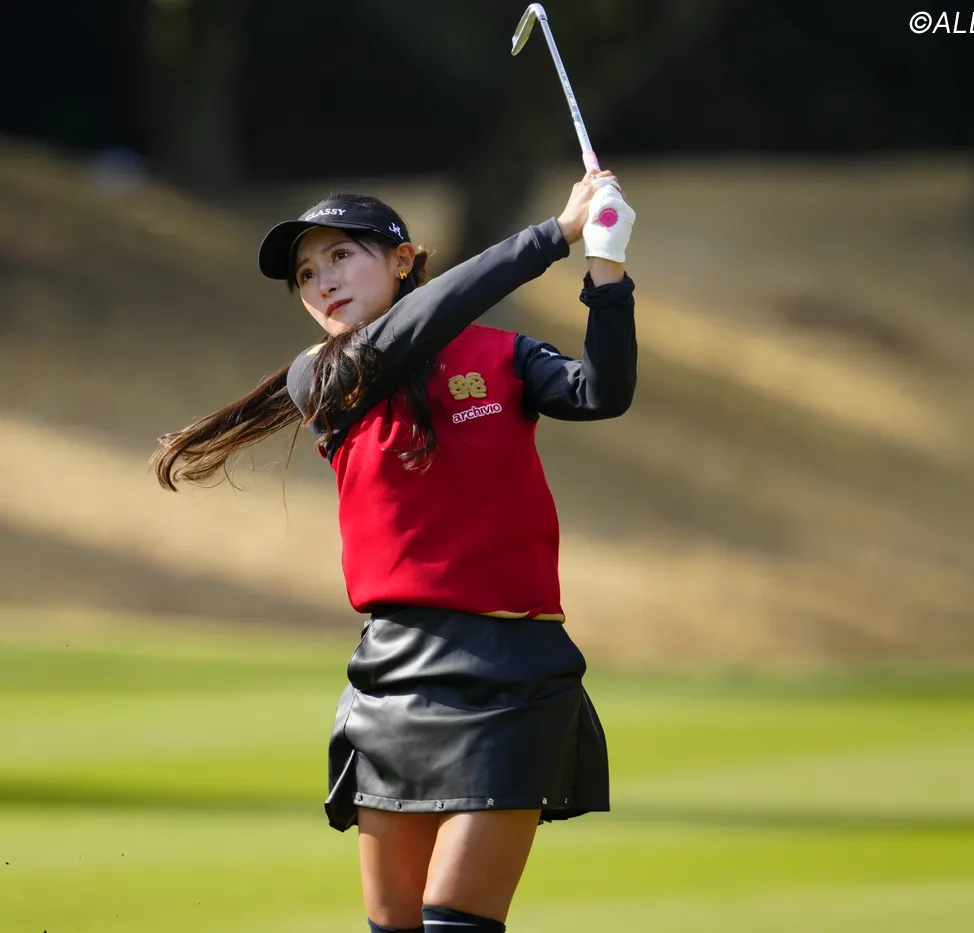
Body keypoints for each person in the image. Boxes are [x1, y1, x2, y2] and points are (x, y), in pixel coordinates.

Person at [151, 169, 637, 932]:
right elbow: (424, 321)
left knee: (455, 921)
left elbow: (601, 392)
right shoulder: (324, 377)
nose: (322, 282)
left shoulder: (504, 356)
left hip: (514, 674)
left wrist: (605, 265)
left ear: (404, 259)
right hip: (394, 679)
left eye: (341, 256)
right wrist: (553, 235)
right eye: (305, 274)